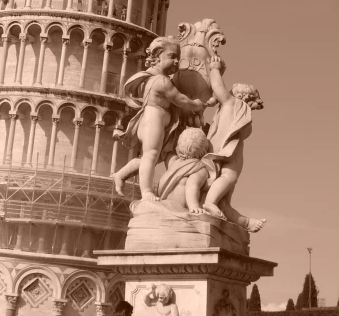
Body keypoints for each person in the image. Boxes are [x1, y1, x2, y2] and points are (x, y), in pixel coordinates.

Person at [112, 36, 205, 200]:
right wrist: (197, 104)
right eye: (172, 56)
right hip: (153, 120)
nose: (176, 61)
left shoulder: (154, 78)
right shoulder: (161, 81)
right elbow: (181, 100)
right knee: (151, 155)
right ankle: (146, 191)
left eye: (178, 57)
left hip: (158, 122)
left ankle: (120, 174)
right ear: (157, 57)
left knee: (151, 157)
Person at [201, 55, 265, 228]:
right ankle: (209, 202)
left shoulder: (235, 108)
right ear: (245, 97)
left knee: (227, 196)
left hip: (228, 148)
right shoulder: (231, 103)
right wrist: (214, 68)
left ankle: (244, 223)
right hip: (226, 149)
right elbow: (218, 86)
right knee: (229, 177)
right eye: (253, 101)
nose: (255, 105)